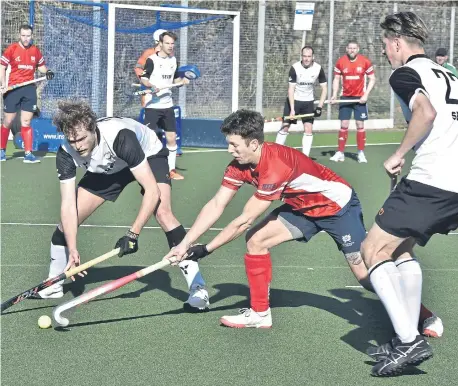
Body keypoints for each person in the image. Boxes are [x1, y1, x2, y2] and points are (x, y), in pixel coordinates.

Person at [163, 109, 440, 333]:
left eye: (234, 145)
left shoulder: (274, 166)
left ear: (254, 143)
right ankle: (260, 314)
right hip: (303, 208)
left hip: (337, 207)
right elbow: (216, 204)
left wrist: (206, 250)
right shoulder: (239, 165)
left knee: (366, 277)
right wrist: (186, 243)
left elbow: (244, 219)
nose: (230, 150)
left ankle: (422, 313)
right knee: (257, 242)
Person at [33, 100, 209, 311]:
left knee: (163, 212)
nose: (77, 145)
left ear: (93, 129)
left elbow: (152, 191)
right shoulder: (65, 152)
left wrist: (132, 234)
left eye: (81, 139)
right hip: (108, 168)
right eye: (72, 141)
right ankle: (54, 283)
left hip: (148, 155)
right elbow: (68, 205)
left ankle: (198, 289)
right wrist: (73, 249)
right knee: (66, 223)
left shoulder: (120, 137)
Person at [361, 12, 458, 376]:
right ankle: (409, 333)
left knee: (372, 249)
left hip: (432, 179)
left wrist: (399, 153)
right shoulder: (450, 73)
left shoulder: (406, 73)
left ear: (397, 43)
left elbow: (426, 112)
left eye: (385, 45)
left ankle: (408, 341)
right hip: (452, 182)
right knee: (401, 247)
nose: (385, 52)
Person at [0, 24, 54, 163]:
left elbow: (41, 67)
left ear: (31, 36)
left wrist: (46, 72)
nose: (25, 38)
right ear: (19, 35)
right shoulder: (12, 49)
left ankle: (28, 154)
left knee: (26, 121)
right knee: (8, 121)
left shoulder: (35, 50)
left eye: (28, 36)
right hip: (13, 89)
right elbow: (2, 67)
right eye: (23, 35)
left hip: (29, 89)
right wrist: (3, 84)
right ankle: (2, 151)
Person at [140, 31, 188, 180]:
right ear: (160, 44)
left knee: (171, 138)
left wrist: (182, 81)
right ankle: (145, 170)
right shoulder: (151, 60)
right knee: (150, 138)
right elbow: (144, 79)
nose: (170, 46)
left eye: (172, 43)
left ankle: (171, 170)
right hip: (152, 106)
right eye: (167, 43)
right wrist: (151, 85)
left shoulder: (173, 60)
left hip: (168, 106)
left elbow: (175, 80)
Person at [275, 46, 327, 156]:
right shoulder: (295, 68)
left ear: (313, 57)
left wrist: (319, 107)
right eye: (304, 56)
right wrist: (292, 110)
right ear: (301, 56)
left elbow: (325, 88)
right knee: (285, 126)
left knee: (308, 129)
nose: (307, 59)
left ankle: (305, 157)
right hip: (294, 100)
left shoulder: (318, 68)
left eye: (309, 56)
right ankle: (276, 154)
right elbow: (291, 89)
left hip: (308, 102)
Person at [329, 40, 375, 163]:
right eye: (350, 48)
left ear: (358, 49)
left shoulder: (365, 61)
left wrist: (366, 95)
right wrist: (334, 95)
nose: (352, 50)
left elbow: (372, 79)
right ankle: (340, 153)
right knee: (344, 125)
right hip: (345, 98)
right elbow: (336, 79)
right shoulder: (340, 62)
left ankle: (360, 153)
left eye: (354, 48)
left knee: (360, 125)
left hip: (360, 99)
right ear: (346, 49)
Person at [134, 29, 167, 108]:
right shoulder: (149, 53)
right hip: (149, 90)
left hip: (163, 90)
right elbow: (138, 67)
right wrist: (146, 81)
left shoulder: (170, 55)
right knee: (149, 112)